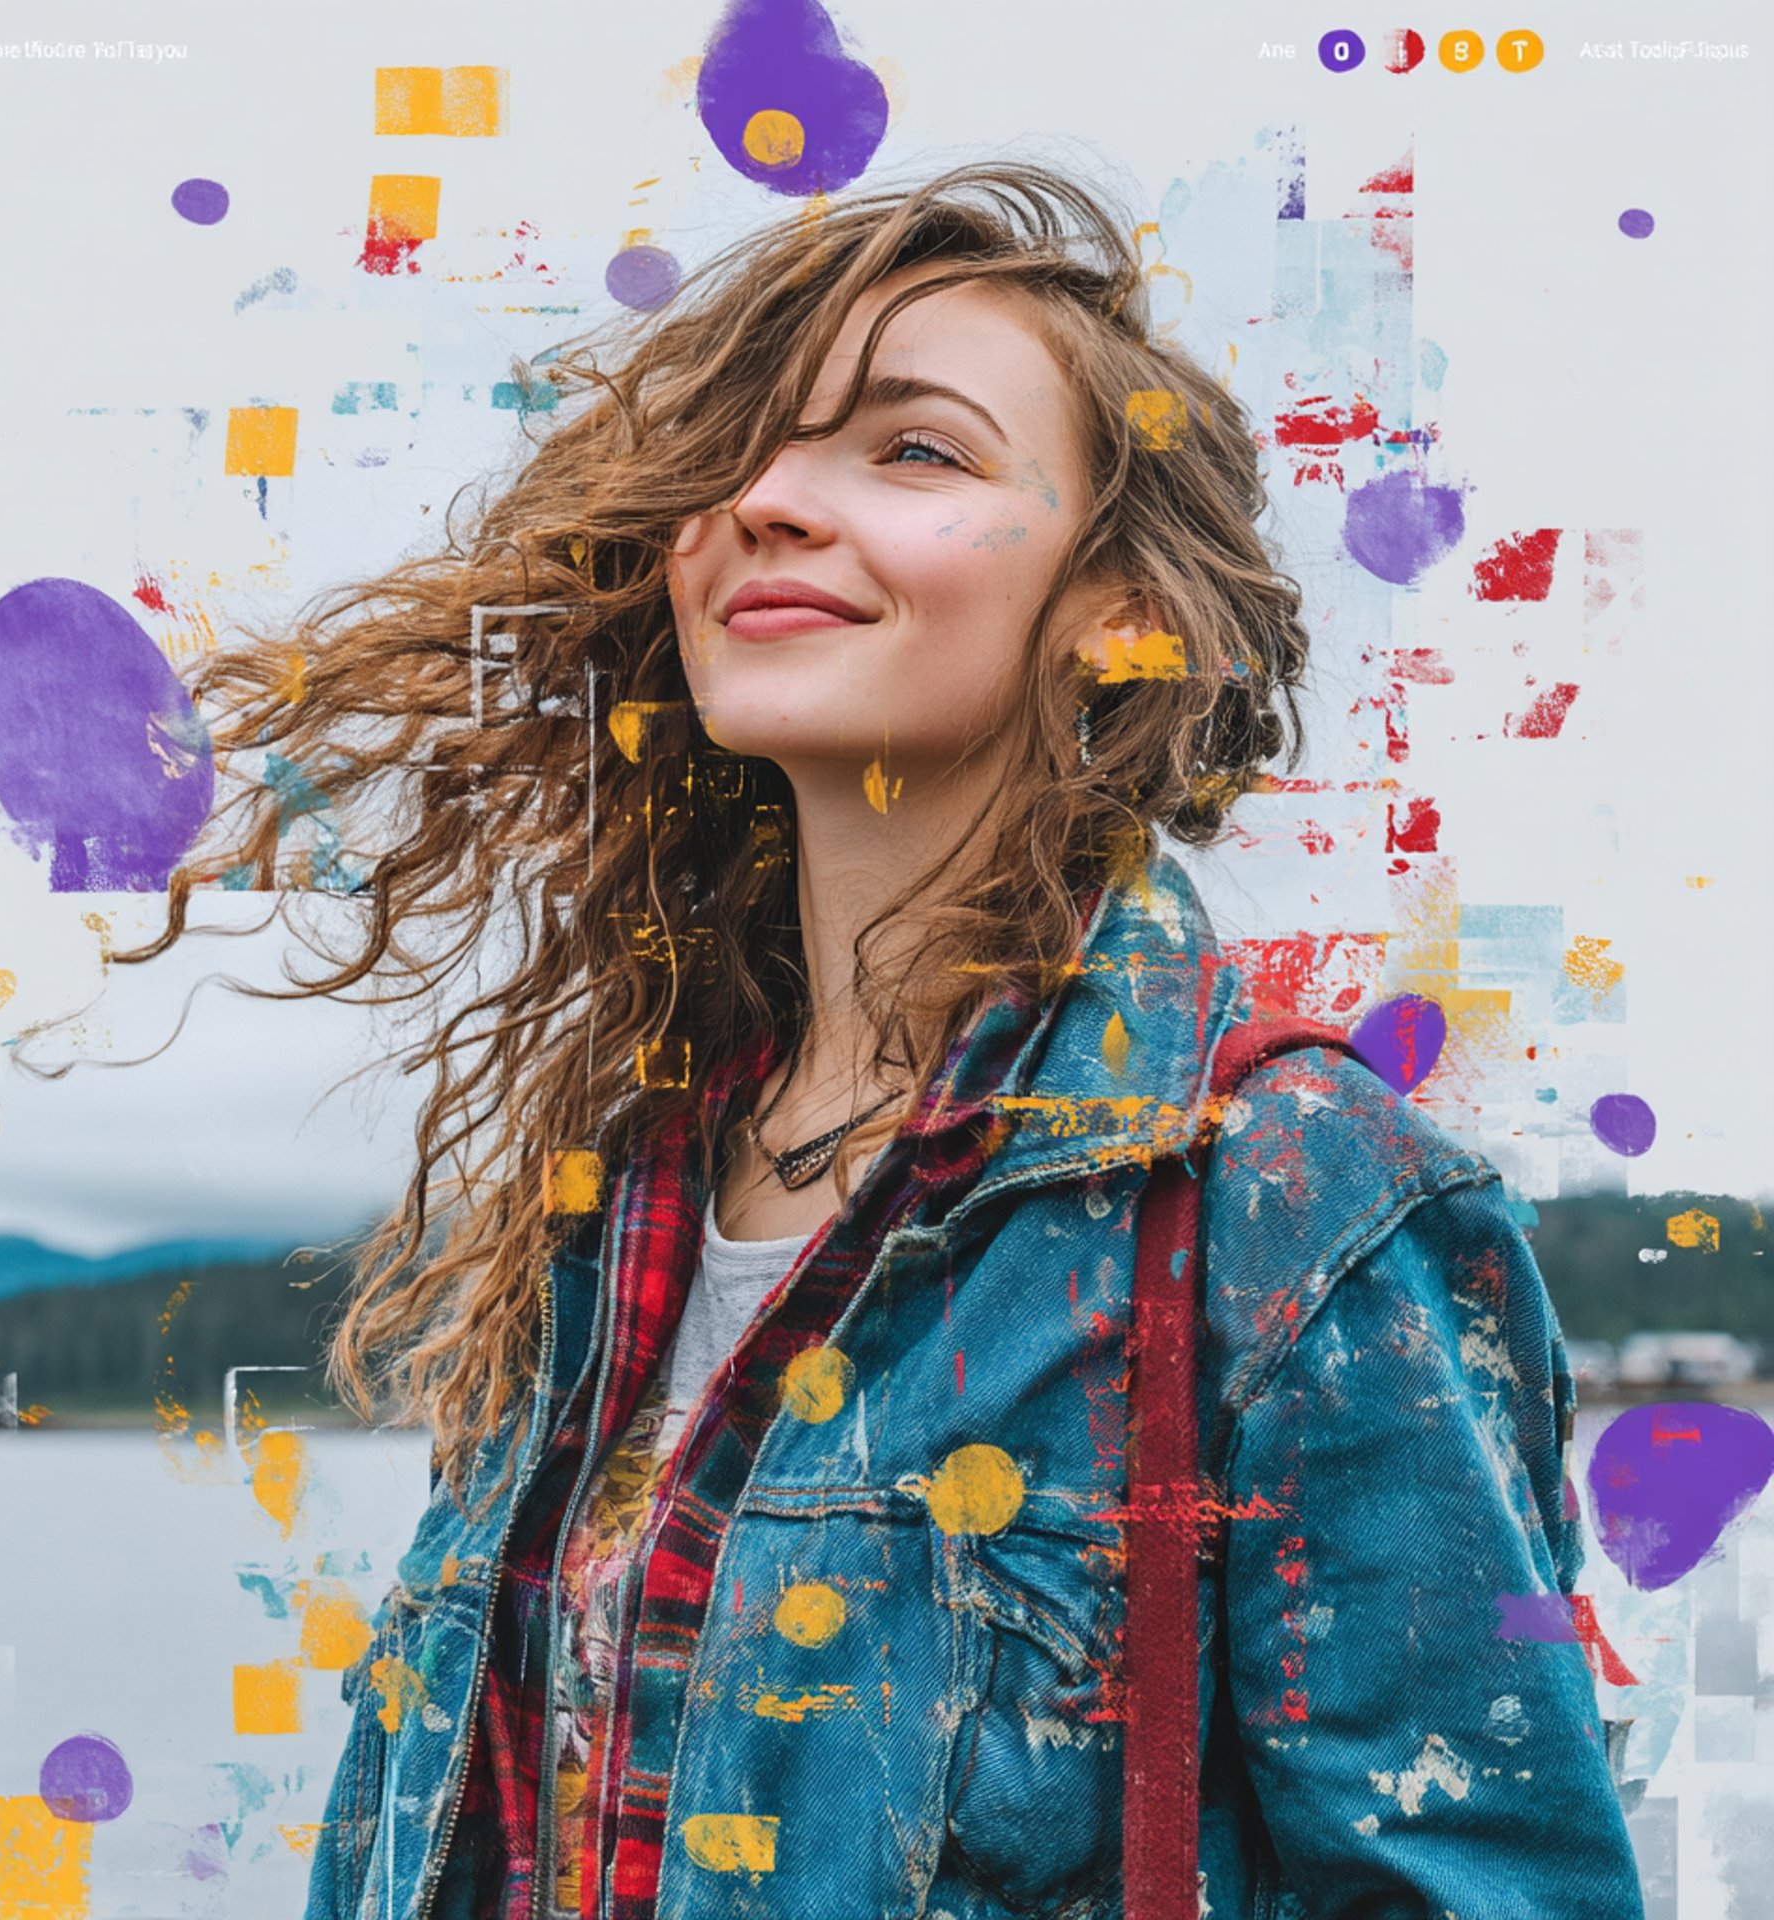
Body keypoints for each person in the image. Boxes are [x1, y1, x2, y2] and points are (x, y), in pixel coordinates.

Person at [137, 162, 1643, 1918]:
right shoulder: (612, 1194)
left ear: (1116, 609)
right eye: (737, 455)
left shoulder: (1287, 1192)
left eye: (915, 450)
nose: (767, 501)